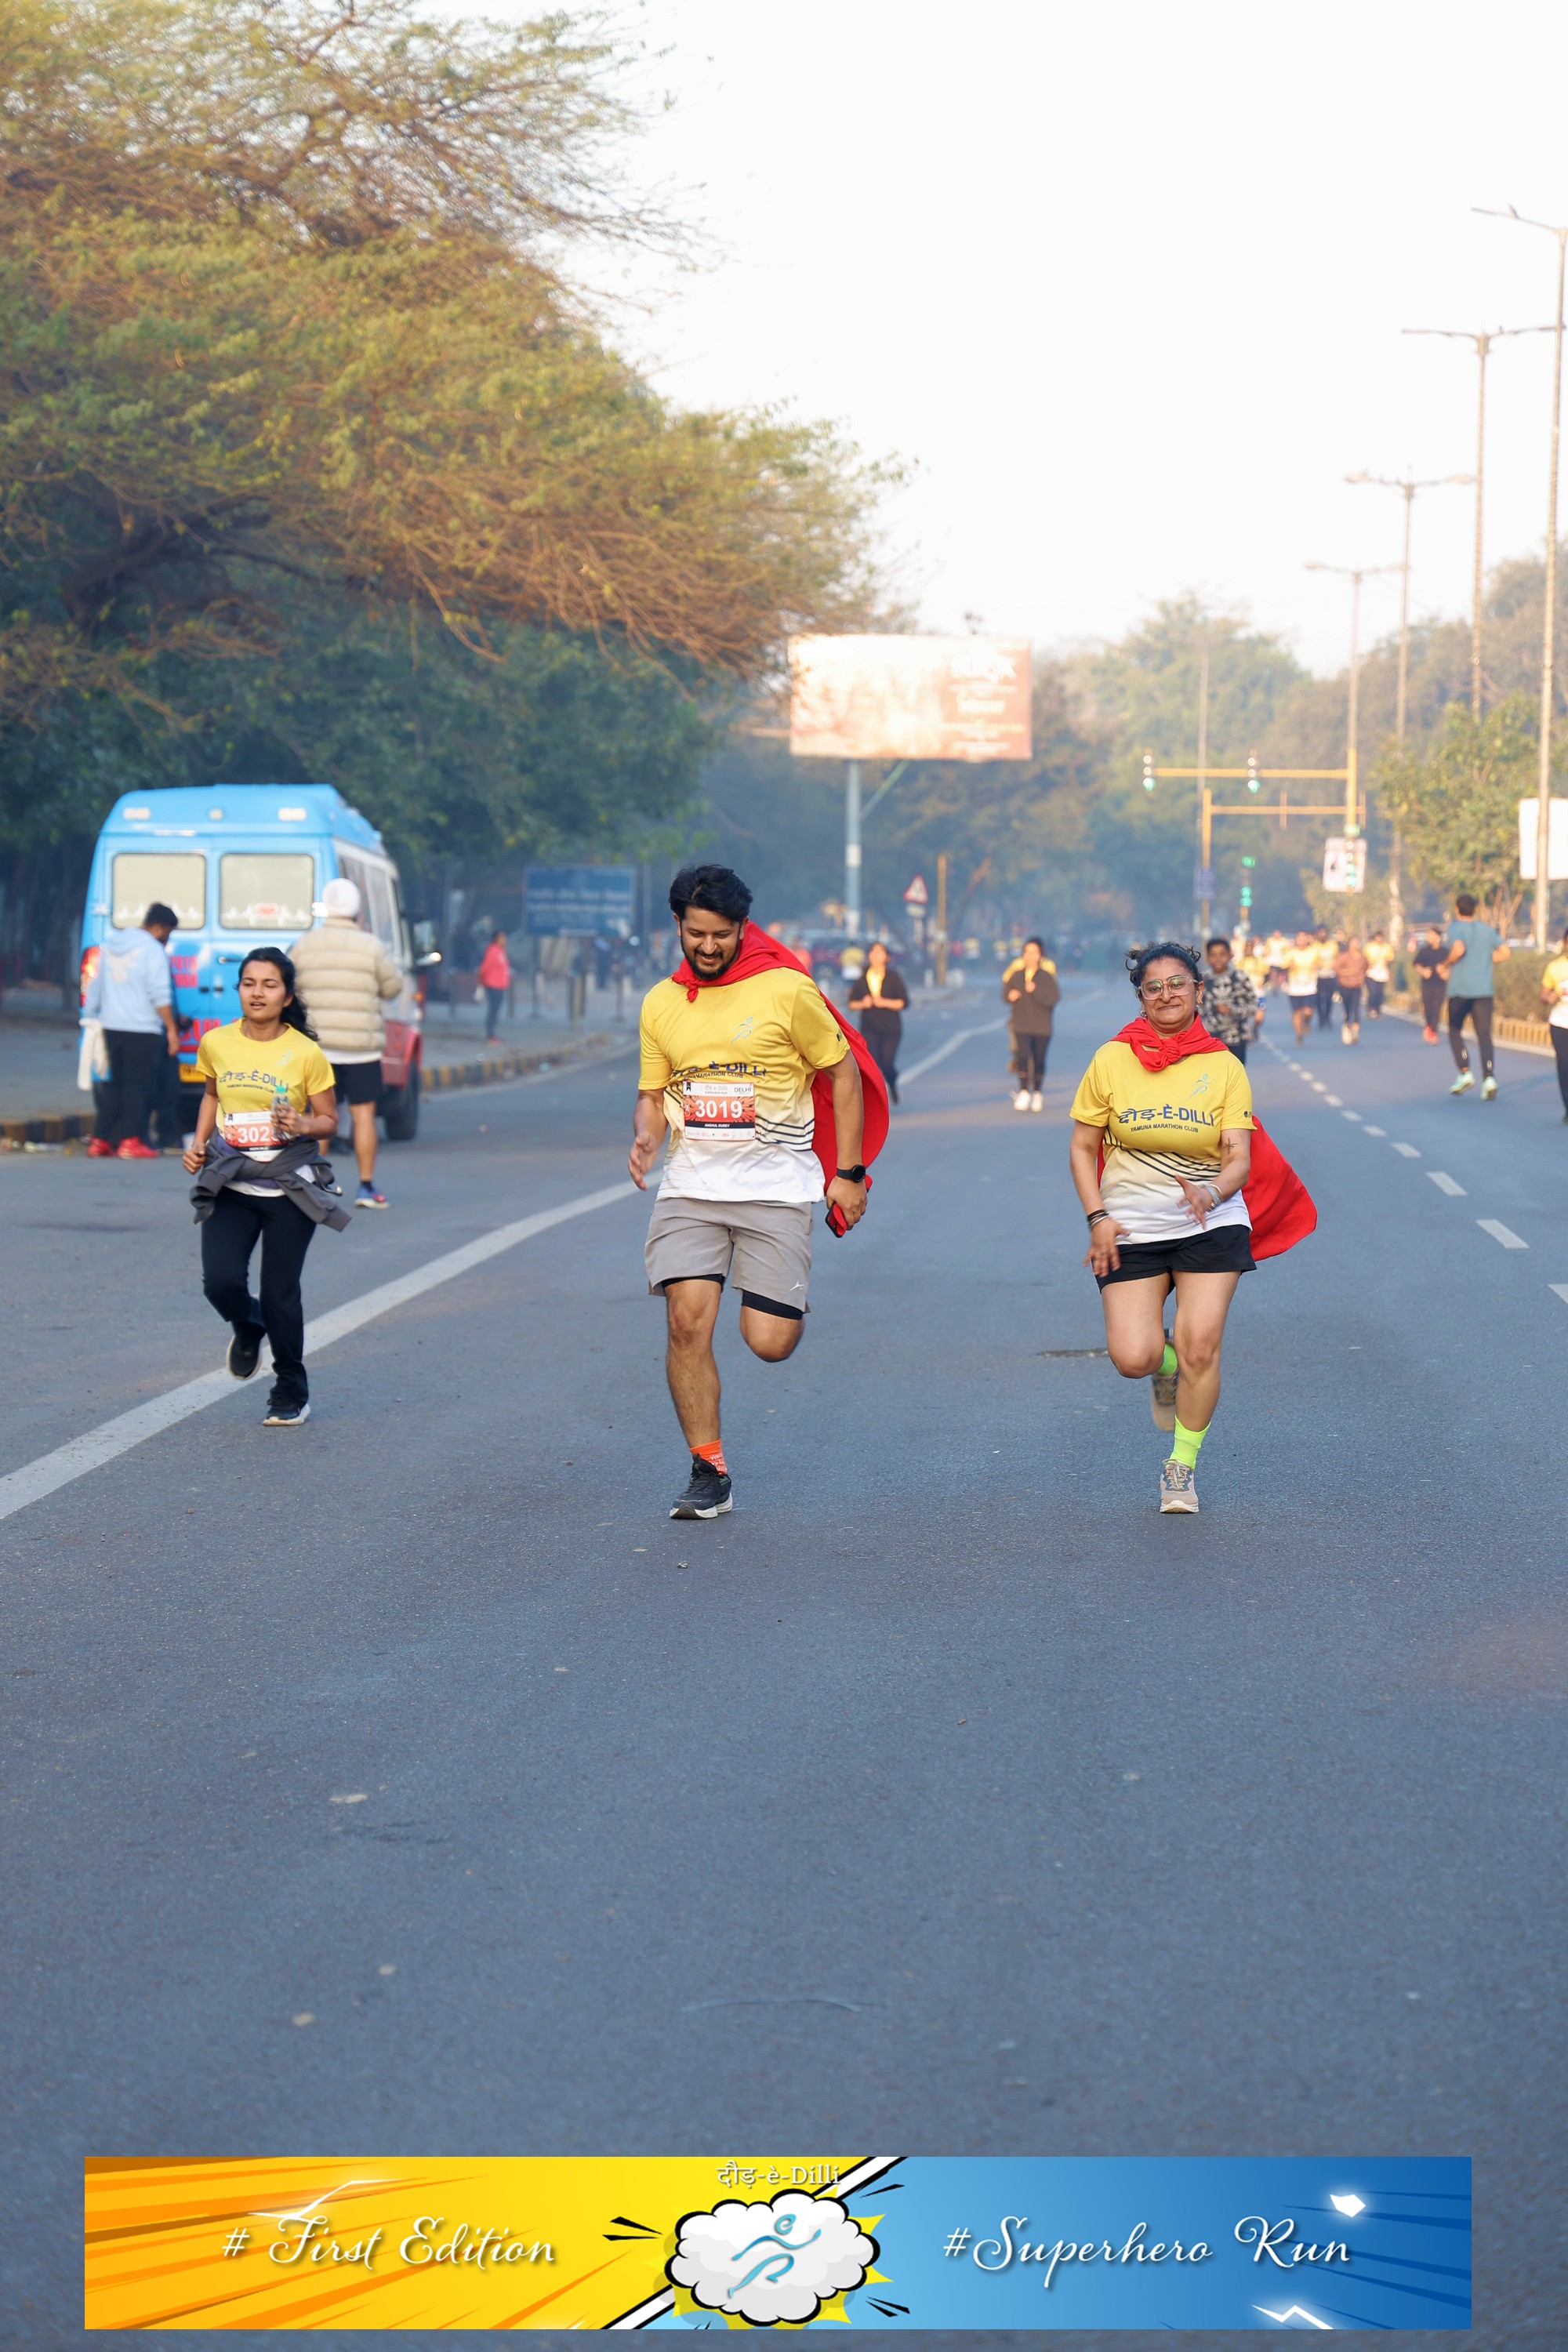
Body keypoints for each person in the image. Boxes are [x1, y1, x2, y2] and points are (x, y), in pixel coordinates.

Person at [630, 864, 885, 1520]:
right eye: (696, 934)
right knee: (686, 1321)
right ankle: (708, 1469)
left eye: (721, 934)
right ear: (678, 926)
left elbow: (844, 1074)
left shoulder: (785, 991)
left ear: (742, 928)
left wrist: (849, 1172)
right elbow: (652, 1094)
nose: (708, 946)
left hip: (775, 1188)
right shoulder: (661, 1003)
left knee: (770, 1341)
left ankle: (781, 1302)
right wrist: (646, 1136)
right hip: (690, 1188)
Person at [1069, 943, 1255, 1515]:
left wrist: (1213, 1193)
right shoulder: (1111, 1060)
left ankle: (1181, 1465)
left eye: (1178, 983)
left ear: (1199, 992)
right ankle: (1165, 1365)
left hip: (1211, 1220)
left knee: (1202, 1345)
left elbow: (1238, 1159)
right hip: (1131, 1222)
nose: (1167, 994)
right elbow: (1081, 1146)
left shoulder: (1224, 1066)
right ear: (1141, 998)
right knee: (1134, 1357)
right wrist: (1098, 1218)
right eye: (1154, 987)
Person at [183, 947, 347, 1428]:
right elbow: (211, 1095)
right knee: (220, 1283)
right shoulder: (216, 1043)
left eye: (269, 984)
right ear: (239, 989)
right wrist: (198, 1143)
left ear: (286, 996)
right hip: (232, 1180)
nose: (258, 993)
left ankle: (290, 1388)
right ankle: (248, 1324)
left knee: (280, 1294)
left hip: (289, 1187)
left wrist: (302, 1123)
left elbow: (329, 1120)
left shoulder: (306, 1053)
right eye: (249, 983)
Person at [287, 876, 403, 1208]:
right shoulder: (372, 946)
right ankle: (365, 1187)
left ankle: (315, 1185)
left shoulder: (305, 944)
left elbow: (289, 985)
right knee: (363, 1115)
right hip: (361, 1048)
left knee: (318, 1115)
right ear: (357, 911)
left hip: (318, 1048)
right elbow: (393, 987)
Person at [83, 902, 181, 1160]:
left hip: (112, 1026)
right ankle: (130, 1141)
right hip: (143, 1029)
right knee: (136, 1086)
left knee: (115, 1084)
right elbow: (159, 993)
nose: (167, 939)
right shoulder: (153, 950)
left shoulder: (112, 945)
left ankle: (101, 1140)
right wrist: (171, 1028)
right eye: (168, 933)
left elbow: (96, 986)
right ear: (159, 928)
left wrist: (89, 1017)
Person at [1439, 891, 1509, 1098]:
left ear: (1457, 909)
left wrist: (1446, 963)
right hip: (1483, 991)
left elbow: (1458, 949)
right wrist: (1485, 959)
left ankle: (1465, 1072)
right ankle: (1489, 1078)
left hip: (1460, 991)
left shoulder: (1455, 928)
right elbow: (1506, 952)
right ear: (1475, 910)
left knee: (1454, 1029)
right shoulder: (1487, 930)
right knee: (1484, 1035)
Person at [1000, 936, 1060, 1109]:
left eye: (1035, 952)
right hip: (1021, 1023)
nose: (1031, 956)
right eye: (1028, 952)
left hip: (1042, 1026)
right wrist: (1010, 995)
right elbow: (1005, 992)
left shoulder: (1047, 975)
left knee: (1039, 1059)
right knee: (1023, 1057)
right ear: (1023, 954)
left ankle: (1038, 1093)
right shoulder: (1016, 974)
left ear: (1041, 954)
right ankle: (1024, 1091)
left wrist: (1035, 991)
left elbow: (1053, 998)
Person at [848, 940, 908, 1104]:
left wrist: (883, 1002)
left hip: (891, 1028)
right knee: (873, 1064)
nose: (876, 955)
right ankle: (877, 1099)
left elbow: (903, 1002)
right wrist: (863, 1003)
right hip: (869, 1028)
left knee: (887, 1064)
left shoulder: (893, 977)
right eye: (873, 951)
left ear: (887, 957)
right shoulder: (862, 978)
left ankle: (893, 1084)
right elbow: (851, 1003)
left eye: (880, 952)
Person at [1200, 935, 1259, 1065]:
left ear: (1230, 955)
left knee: (1235, 1074)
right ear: (1208, 957)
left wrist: (1232, 1010)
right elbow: (1196, 1007)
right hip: (1211, 1039)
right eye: (1213, 955)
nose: (1218, 959)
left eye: (1222, 954)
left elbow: (1254, 1005)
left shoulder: (1240, 977)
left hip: (1237, 1037)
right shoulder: (1203, 980)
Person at [1541, 927, 1568, 1120]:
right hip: (1560, 1022)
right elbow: (1544, 993)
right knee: (1564, 1064)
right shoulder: (1555, 967)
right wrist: (1547, 997)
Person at [1411, 923, 1446, 1041]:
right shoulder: (1424, 951)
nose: (1428, 937)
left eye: (1430, 935)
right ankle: (1429, 1026)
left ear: (1438, 937)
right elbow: (1416, 964)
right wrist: (1423, 971)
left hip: (1440, 984)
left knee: (1437, 1007)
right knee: (1427, 1007)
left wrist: (1446, 973)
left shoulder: (1445, 952)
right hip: (1427, 984)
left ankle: (1434, 1032)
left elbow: (1451, 965)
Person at [1284, 928, 1319, 1044]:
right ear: (1296, 939)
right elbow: (1284, 965)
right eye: (1300, 938)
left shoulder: (1313, 952)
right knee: (1297, 1012)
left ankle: (1307, 1022)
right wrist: (1289, 965)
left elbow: (1319, 963)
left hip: (1309, 986)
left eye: (1304, 938)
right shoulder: (1291, 952)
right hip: (1295, 987)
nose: (1302, 940)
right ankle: (1299, 1035)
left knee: (1309, 1011)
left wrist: (1316, 966)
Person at [477, 929, 511, 1044]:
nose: (504, 939)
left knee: (496, 1009)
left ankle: (493, 1032)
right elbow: (484, 967)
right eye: (502, 937)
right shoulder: (492, 951)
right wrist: (481, 981)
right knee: (493, 1009)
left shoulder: (501, 951)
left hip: (501, 984)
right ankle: (490, 1034)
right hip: (493, 984)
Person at [1334, 934, 1368, 1043]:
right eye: (1353, 943)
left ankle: (1356, 1031)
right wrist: (1348, 973)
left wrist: (1361, 977)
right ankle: (1347, 1024)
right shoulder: (1344, 956)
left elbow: (1366, 967)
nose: (1356, 945)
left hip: (1357, 986)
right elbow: (1336, 969)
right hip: (1344, 985)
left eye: (1357, 943)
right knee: (1347, 1008)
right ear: (1349, 944)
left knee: (1356, 1007)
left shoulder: (1362, 957)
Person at [1363, 929, 1393, 1019]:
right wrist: (1368, 965)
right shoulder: (1369, 947)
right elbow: (1364, 958)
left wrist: (1387, 963)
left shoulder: (1387, 947)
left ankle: (1377, 1010)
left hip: (1382, 971)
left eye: (1381, 937)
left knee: (1380, 993)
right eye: (1378, 937)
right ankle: (1370, 1009)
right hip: (1371, 972)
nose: (1379, 939)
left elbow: (1391, 958)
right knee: (1373, 992)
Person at [1313, 927, 1338, 1030]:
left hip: (1330, 975)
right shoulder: (1314, 946)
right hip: (1318, 976)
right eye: (1320, 933)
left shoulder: (1333, 945)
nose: (1322, 935)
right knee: (1318, 999)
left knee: (1329, 999)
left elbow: (1337, 958)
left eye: (1324, 933)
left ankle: (1327, 1017)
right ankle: (1321, 1019)